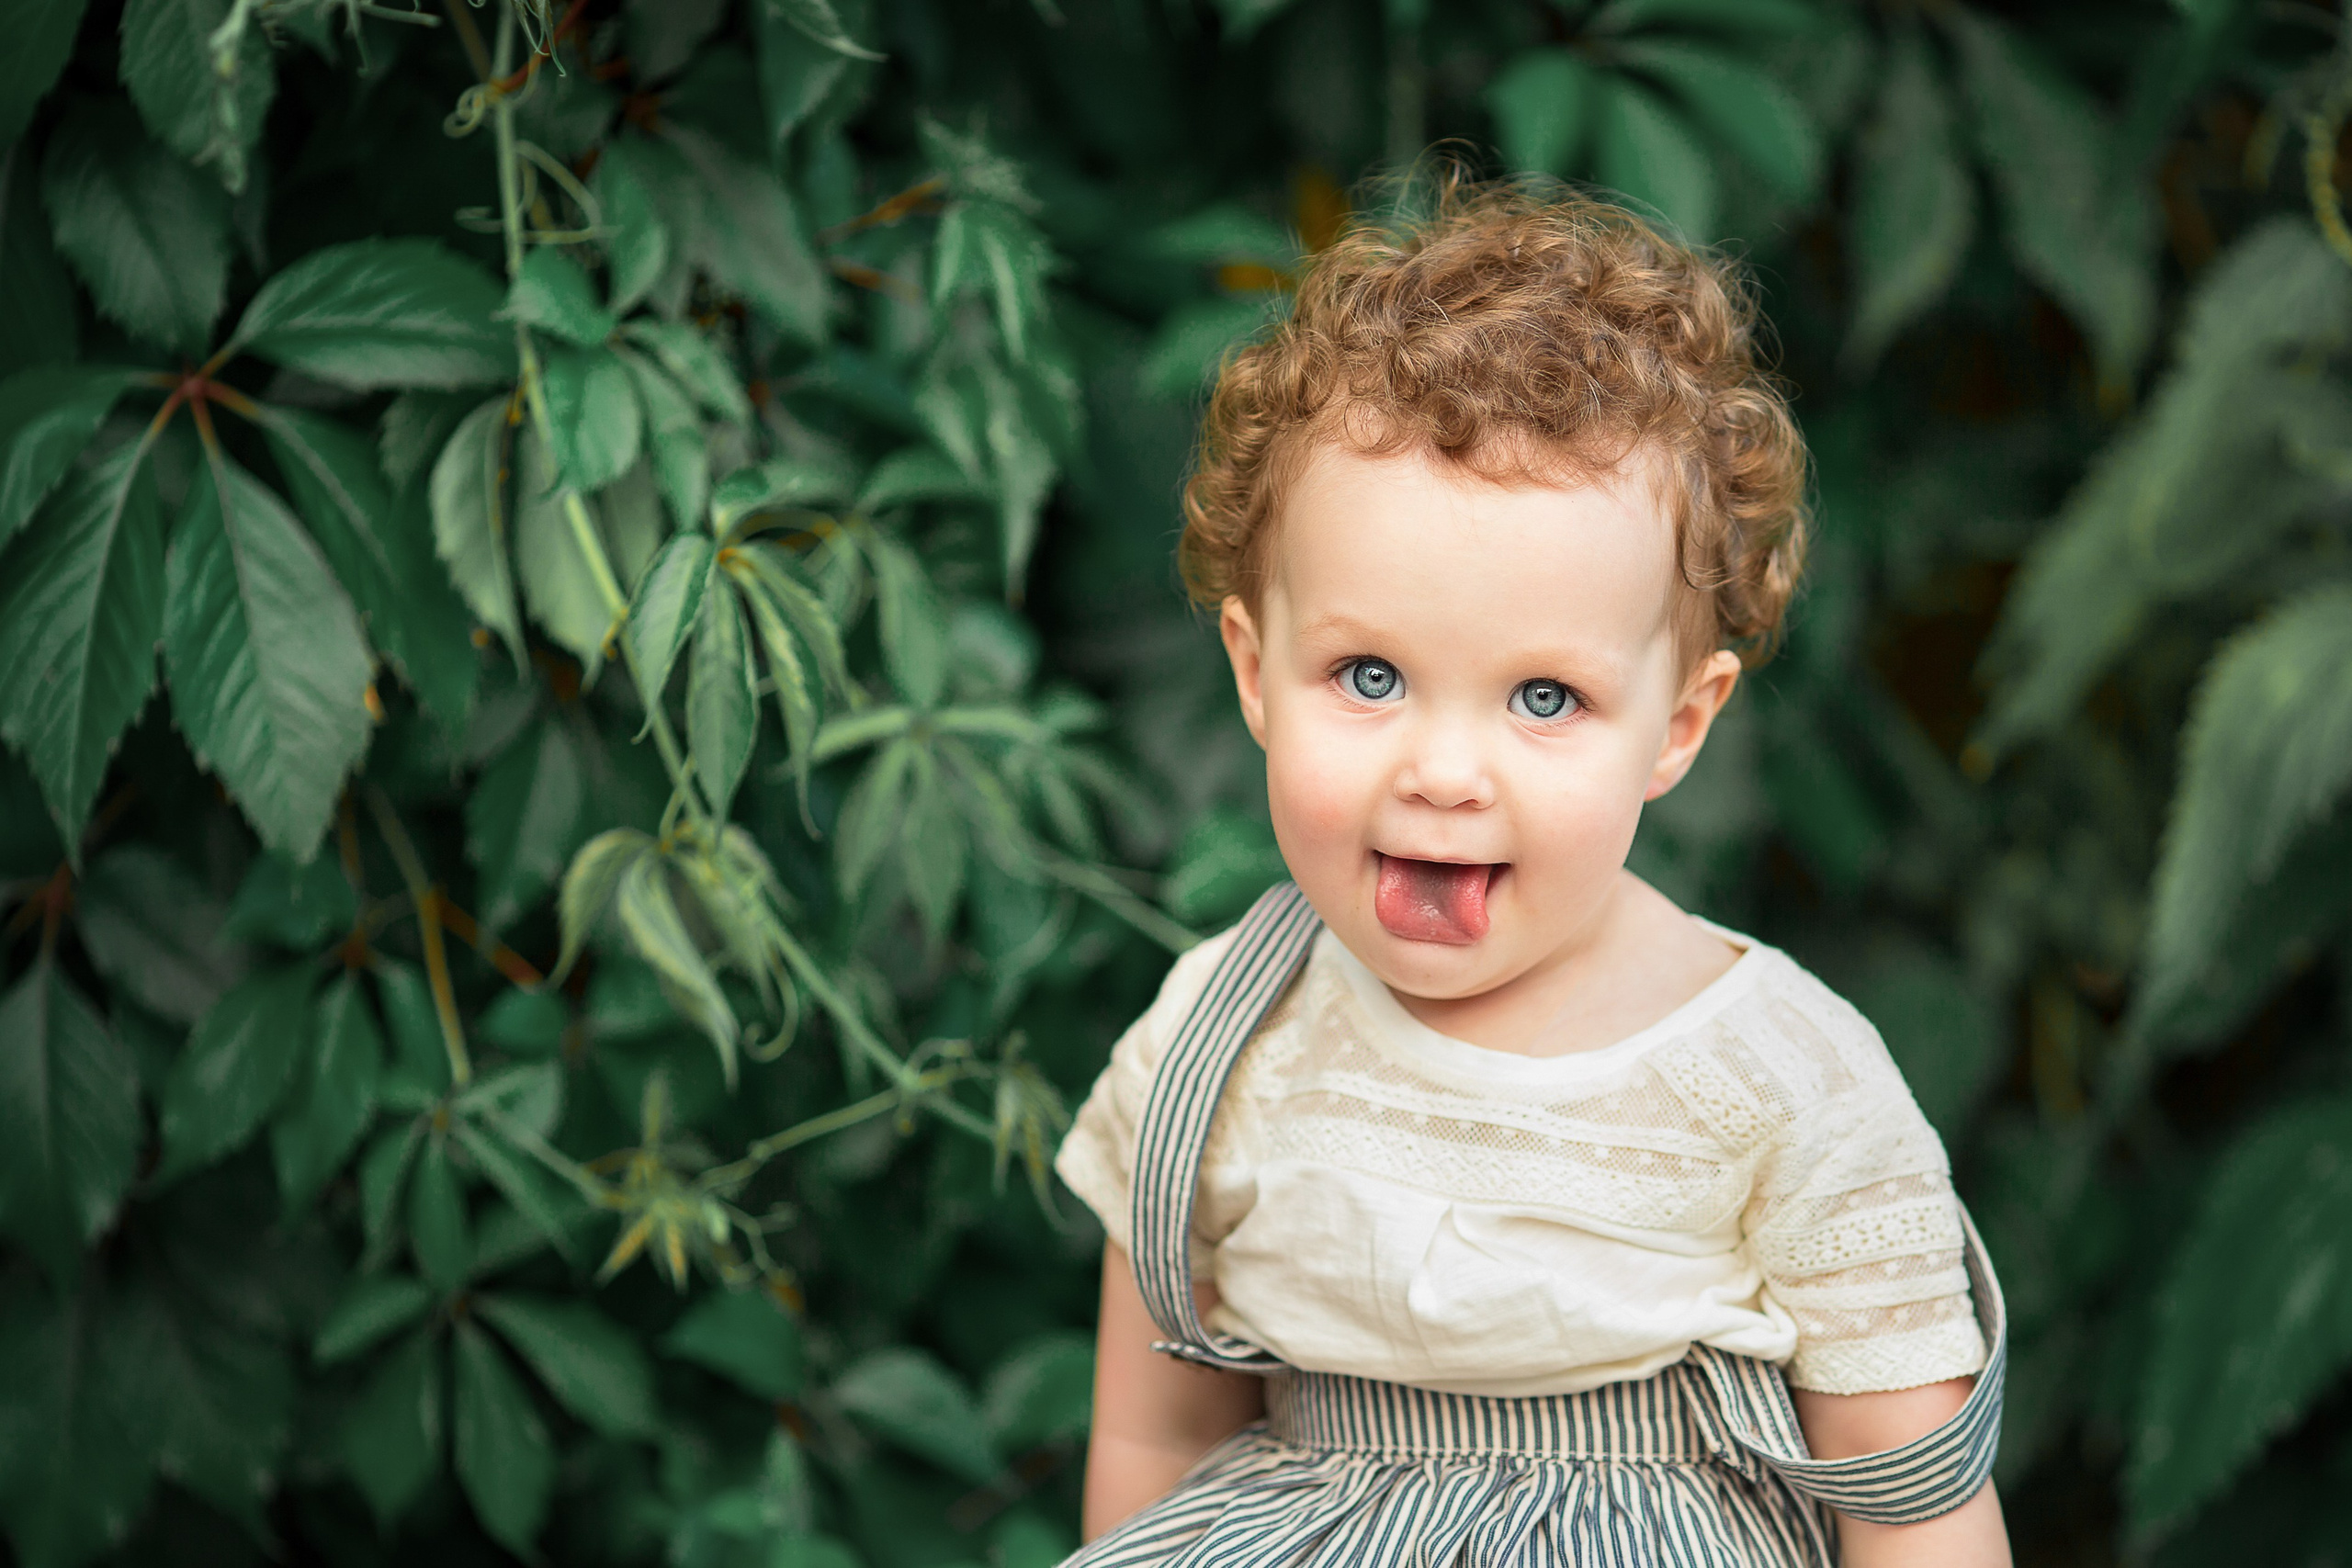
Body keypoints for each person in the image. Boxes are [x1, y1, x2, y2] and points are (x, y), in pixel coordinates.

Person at [1050, 177, 2011, 1568]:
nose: (1445, 771)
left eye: (1544, 700)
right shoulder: (1217, 1038)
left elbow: (1914, 1513)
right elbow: (1162, 1440)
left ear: (1678, 727)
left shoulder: (1786, 1085)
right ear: (1256, 674)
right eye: (1368, 676)